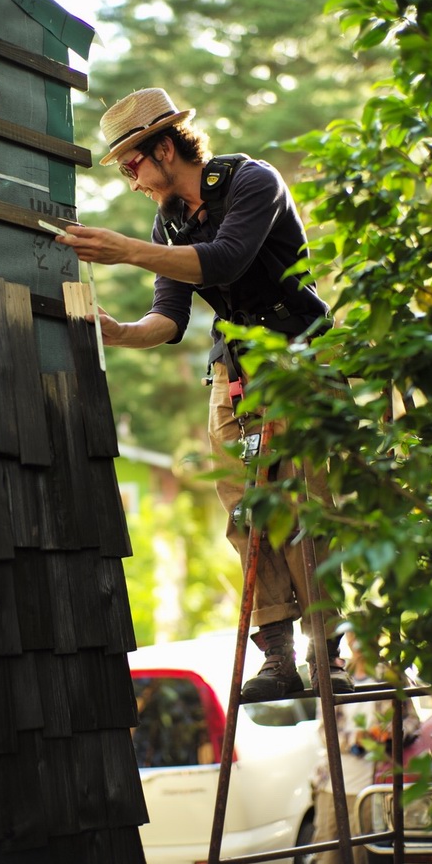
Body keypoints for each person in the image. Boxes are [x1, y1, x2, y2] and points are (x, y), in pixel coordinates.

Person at [55, 86, 353, 701]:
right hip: (234, 373)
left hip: (298, 359)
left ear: (164, 148)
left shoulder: (252, 181)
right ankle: (278, 659)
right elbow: (167, 320)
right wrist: (116, 331)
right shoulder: (166, 221)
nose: (133, 181)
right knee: (246, 511)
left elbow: (225, 260)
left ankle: (330, 654)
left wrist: (127, 252)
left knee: (305, 505)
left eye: (133, 164)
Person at [312, 631, 420, 864]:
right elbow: (323, 732)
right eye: (353, 633)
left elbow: (413, 721)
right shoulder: (335, 675)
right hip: (332, 784)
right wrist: (355, 738)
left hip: (373, 785)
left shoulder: (391, 676)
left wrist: (394, 731)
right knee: (328, 863)